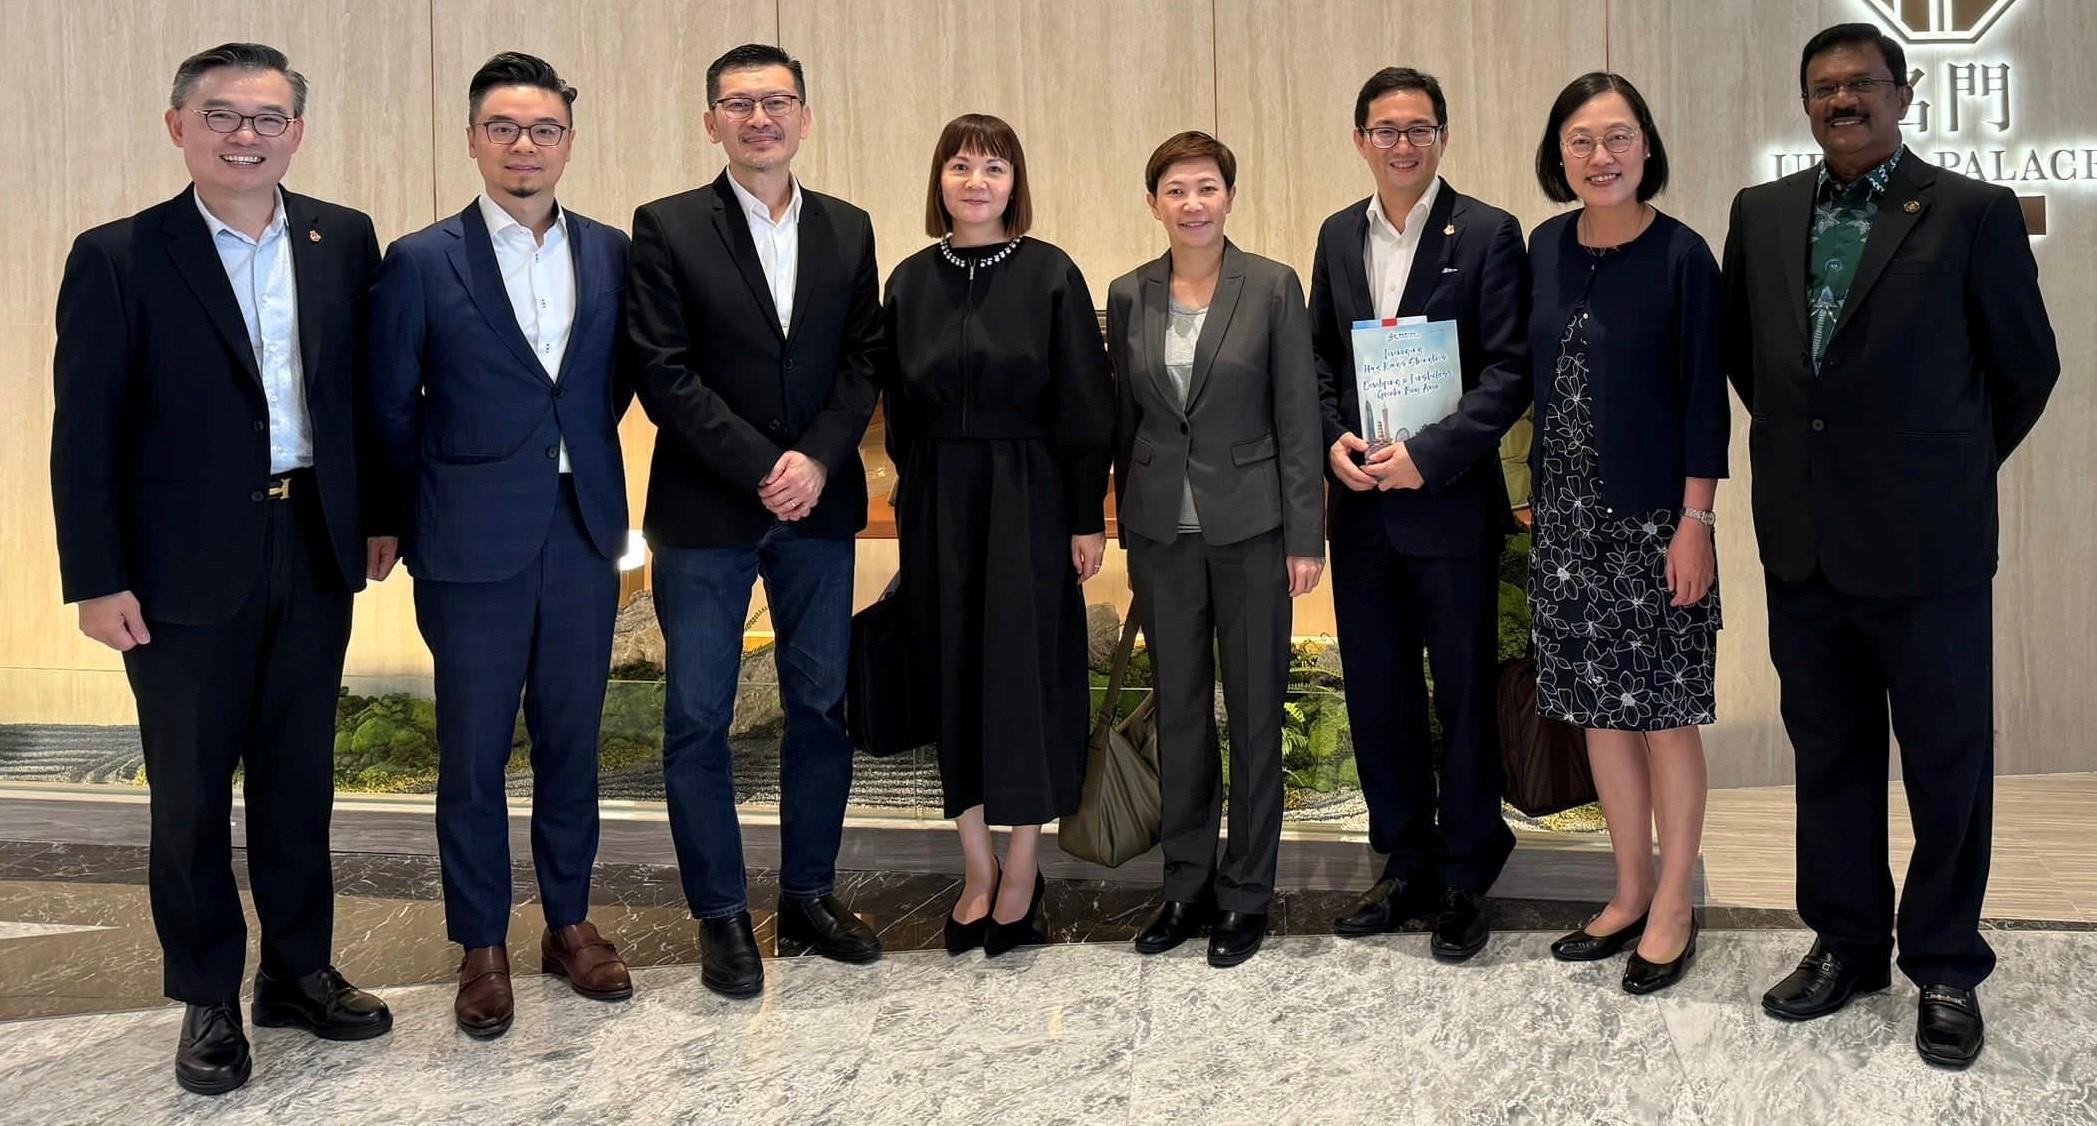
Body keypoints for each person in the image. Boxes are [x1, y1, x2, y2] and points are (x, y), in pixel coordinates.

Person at [50, 43, 391, 1095]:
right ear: (178, 126)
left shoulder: (345, 240)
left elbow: (366, 398)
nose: (247, 135)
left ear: (297, 129)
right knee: (193, 791)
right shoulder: (117, 255)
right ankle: (206, 991)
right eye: (224, 116)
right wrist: (95, 578)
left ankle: (297, 969)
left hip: (315, 543)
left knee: (300, 776)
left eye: (268, 117)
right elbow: (85, 433)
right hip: (178, 569)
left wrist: (376, 517)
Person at [1724, 23, 2057, 1068]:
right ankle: (1848, 941)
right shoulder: (1764, 212)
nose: (1841, 101)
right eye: (1822, 88)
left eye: (1861, 83)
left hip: (1930, 547)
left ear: (1904, 93)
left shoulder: (1969, 212)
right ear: (1806, 102)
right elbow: (1751, 356)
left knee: (1948, 763)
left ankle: (1948, 960)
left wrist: (1944, 470)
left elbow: (2025, 369)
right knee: (1829, 754)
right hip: (1805, 540)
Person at [365, 52, 635, 1038]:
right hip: (466, 537)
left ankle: (568, 923)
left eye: (545, 130)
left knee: (573, 741)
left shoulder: (611, 252)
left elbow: (602, 390)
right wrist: (388, 514)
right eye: (505, 129)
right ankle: (480, 942)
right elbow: (390, 403)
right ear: (475, 138)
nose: (526, 146)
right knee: (474, 752)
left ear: (569, 139)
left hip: (581, 527)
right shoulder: (421, 260)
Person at [626, 42, 883, 998]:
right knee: (698, 717)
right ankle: (721, 913)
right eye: (739, 104)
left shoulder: (850, 229)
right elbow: (663, 370)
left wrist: (814, 458)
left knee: (819, 707)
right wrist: (760, 465)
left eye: (776, 103)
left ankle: (810, 897)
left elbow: (864, 361)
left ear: (804, 118)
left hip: (817, 506)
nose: (760, 119)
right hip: (704, 511)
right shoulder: (666, 227)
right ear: (711, 123)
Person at [879, 114, 1113, 958]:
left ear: (1016, 182)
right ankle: (973, 867)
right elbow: (898, 415)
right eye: (960, 165)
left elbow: (1087, 406)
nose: (976, 182)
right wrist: (918, 502)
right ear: (938, 178)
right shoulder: (908, 280)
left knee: (1025, 678)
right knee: (953, 676)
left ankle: (1023, 864)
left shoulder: (1050, 273)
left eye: (994, 167)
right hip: (939, 500)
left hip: (1031, 497)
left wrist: (1084, 516)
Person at [1310, 68, 1530, 961]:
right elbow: (1322, 356)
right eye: (1386, 129)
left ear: (1442, 137)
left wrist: (1427, 456)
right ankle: (1404, 862)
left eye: (1419, 129)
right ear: (1359, 138)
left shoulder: (1486, 233)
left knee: (1464, 692)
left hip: (1447, 506)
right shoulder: (1335, 236)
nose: (1403, 144)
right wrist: (1331, 438)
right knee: (1377, 692)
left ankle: (1467, 876)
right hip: (1361, 507)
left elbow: (1509, 371)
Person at [1525, 73, 1728, 995]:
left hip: (1653, 520)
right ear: (1557, 155)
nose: (1598, 157)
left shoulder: (1684, 256)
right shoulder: (1543, 248)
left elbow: (1703, 404)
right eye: (1579, 140)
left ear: (1645, 147)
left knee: (1665, 716)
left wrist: (1695, 522)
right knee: (1601, 713)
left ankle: (1676, 902)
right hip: (1563, 522)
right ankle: (1628, 887)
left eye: (1615, 137)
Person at [1109, 132, 1324, 968]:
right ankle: (1185, 886)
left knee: (1256, 715)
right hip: (1164, 536)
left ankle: (1246, 895)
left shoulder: (1270, 286)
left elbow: (1298, 418)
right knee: (1182, 716)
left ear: (1228, 196)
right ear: (1154, 202)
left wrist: (1306, 535)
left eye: (1205, 187)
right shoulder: (1129, 294)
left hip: (1253, 533)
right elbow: (1125, 423)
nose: (1191, 203)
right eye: (1174, 189)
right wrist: (1127, 524)